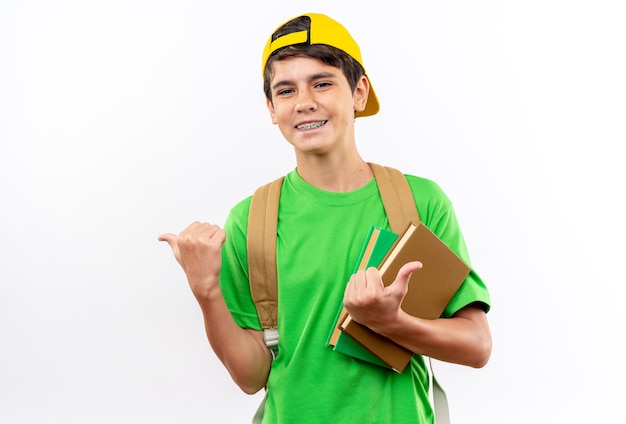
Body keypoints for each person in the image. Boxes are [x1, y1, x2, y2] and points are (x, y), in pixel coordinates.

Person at [159, 12, 492, 423]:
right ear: (271, 108)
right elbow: (251, 376)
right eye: (285, 90)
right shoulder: (252, 220)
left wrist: (393, 323)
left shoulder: (419, 203)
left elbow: (477, 345)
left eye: (322, 83)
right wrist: (206, 290)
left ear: (358, 92)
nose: (304, 102)